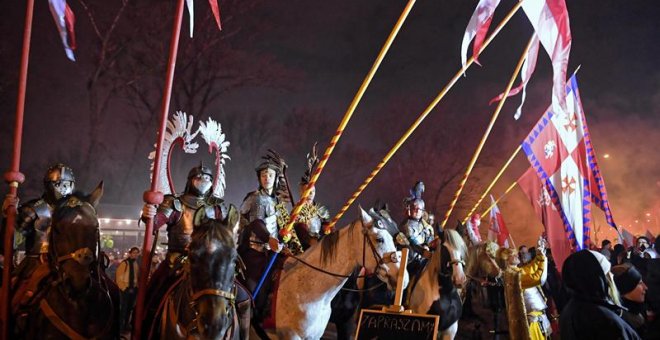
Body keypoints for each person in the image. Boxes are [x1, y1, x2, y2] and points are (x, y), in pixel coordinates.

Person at [3, 163, 76, 309]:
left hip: (66, 262)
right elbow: (14, 239)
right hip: (36, 262)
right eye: (58, 183)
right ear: (49, 184)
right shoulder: (34, 208)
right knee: (13, 300)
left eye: (66, 184)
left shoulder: (74, 212)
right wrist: (8, 216)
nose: (62, 188)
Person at [560, 250, 641, 339]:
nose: (612, 275)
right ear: (599, 279)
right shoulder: (604, 320)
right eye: (608, 272)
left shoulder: (569, 311)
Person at [496, 237, 551, 340]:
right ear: (506, 260)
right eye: (512, 255)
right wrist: (543, 257)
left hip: (538, 318)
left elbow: (531, 268)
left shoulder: (517, 271)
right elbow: (538, 278)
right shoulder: (514, 276)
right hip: (532, 322)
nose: (517, 255)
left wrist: (540, 253)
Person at [292, 145, 331, 250]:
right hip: (303, 248)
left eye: (312, 191)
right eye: (307, 192)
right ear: (301, 192)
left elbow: (327, 224)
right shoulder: (297, 210)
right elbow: (299, 230)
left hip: (321, 245)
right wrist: (312, 242)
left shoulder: (320, 209)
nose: (310, 194)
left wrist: (328, 228)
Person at [396, 181, 434, 276]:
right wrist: (423, 250)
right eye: (414, 208)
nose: (416, 211)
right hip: (410, 261)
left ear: (422, 211)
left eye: (419, 209)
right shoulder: (406, 225)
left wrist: (429, 245)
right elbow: (412, 243)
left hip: (425, 259)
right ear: (410, 209)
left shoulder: (426, 226)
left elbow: (430, 240)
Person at [612, 263, 648, 337]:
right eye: (639, 284)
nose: (645, 287)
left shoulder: (637, 311)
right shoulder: (623, 322)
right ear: (625, 289)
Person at [116, 247, 140, 332]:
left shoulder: (136, 264)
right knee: (123, 309)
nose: (135, 254)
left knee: (129, 309)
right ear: (130, 253)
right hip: (125, 289)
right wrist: (124, 288)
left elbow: (136, 277)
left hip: (133, 289)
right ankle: (121, 327)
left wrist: (136, 287)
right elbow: (118, 277)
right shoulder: (125, 264)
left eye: (137, 253)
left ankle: (125, 325)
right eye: (134, 253)